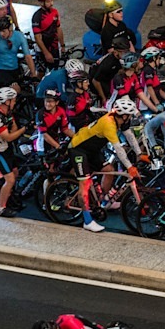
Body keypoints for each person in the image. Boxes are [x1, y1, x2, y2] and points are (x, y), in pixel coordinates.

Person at [68, 96, 143, 232]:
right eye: (130, 115)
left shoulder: (120, 119)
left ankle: (104, 201)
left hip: (92, 149)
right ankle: (87, 221)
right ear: (124, 115)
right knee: (84, 185)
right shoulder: (109, 124)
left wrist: (140, 154)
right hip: (78, 149)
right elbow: (119, 149)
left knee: (109, 169)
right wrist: (130, 167)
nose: (131, 118)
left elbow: (130, 136)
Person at [0, 86, 26, 217]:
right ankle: (1, 208)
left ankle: (6, 193)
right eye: (13, 100)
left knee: (15, 172)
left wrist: (14, 123)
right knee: (10, 179)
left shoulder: (8, 114)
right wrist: (23, 129)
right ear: (6, 101)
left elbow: (13, 130)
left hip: (7, 148)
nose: (15, 102)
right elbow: (9, 136)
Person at [0, 15, 37, 88]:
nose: (1, 34)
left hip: (14, 69)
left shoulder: (19, 36)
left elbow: (28, 56)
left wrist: (33, 74)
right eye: (0, 31)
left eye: (3, 31)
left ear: (10, 29)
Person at [31, 0, 65, 71]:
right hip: (42, 49)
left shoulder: (55, 12)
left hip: (54, 47)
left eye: (52, 0)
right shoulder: (37, 17)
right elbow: (37, 38)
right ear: (42, 2)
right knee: (41, 72)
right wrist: (46, 53)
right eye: (48, 1)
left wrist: (62, 45)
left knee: (55, 70)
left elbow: (58, 29)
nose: (51, 3)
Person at [88, 36, 128, 101]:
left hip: (108, 76)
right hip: (98, 81)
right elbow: (95, 81)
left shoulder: (117, 58)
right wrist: (103, 98)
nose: (126, 54)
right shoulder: (108, 64)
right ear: (115, 52)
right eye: (123, 52)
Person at [35, 88, 74, 153]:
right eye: (46, 101)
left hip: (56, 139)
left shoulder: (61, 111)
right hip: (43, 143)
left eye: (50, 101)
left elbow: (65, 129)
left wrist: (77, 137)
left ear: (57, 102)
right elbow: (44, 135)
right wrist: (58, 147)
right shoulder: (40, 114)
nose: (47, 104)